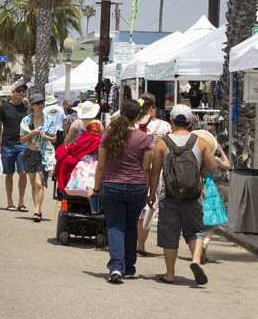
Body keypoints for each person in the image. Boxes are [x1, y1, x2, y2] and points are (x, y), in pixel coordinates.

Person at [148, 105, 218, 286]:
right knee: (195, 231)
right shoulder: (200, 142)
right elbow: (213, 167)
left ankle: (170, 274)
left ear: (171, 121)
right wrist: (201, 171)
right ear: (190, 122)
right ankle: (195, 260)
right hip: (193, 196)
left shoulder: (163, 143)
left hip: (169, 196)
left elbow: (155, 172)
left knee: (169, 234)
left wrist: (151, 194)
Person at [90, 99, 153, 284]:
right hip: (137, 187)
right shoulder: (144, 138)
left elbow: (100, 165)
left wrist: (95, 188)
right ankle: (130, 267)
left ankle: (116, 267)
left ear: (121, 112)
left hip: (111, 185)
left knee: (115, 226)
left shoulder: (109, 135)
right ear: (139, 115)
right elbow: (146, 168)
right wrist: (148, 190)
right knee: (131, 226)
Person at [135, 93, 171, 256]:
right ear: (152, 108)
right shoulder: (164, 126)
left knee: (135, 206)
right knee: (150, 206)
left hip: (134, 169)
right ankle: (141, 244)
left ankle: (133, 241)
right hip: (157, 170)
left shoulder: (132, 124)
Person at [195, 129, 229, 264]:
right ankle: (205, 243)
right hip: (210, 189)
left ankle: (198, 248)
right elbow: (227, 165)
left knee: (198, 223)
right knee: (212, 224)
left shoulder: (195, 158)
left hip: (197, 189)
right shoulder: (212, 159)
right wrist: (220, 150)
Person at [19, 93, 55, 221]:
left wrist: (46, 137)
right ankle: (36, 207)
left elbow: (54, 138)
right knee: (33, 184)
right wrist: (32, 133)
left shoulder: (49, 120)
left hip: (43, 154)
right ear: (32, 106)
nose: (40, 105)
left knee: (39, 183)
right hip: (29, 153)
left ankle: (37, 211)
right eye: (37, 103)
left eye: (42, 103)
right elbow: (22, 140)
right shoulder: (26, 121)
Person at [0, 82, 29, 211]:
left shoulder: (26, 107)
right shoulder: (4, 107)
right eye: (19, 91)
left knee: (23, 172)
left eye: (22, 92)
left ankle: (21, 202)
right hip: (7, 145)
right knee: (9, 174)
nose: (21, 93)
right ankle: (9, 202)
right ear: (12, 93)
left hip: (23, 145)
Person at [54, 101, 102, 194]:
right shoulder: (98, 124)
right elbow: (102, 141)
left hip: (78, 156)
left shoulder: (77, 123)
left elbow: (67, 142)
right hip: (95, 158)